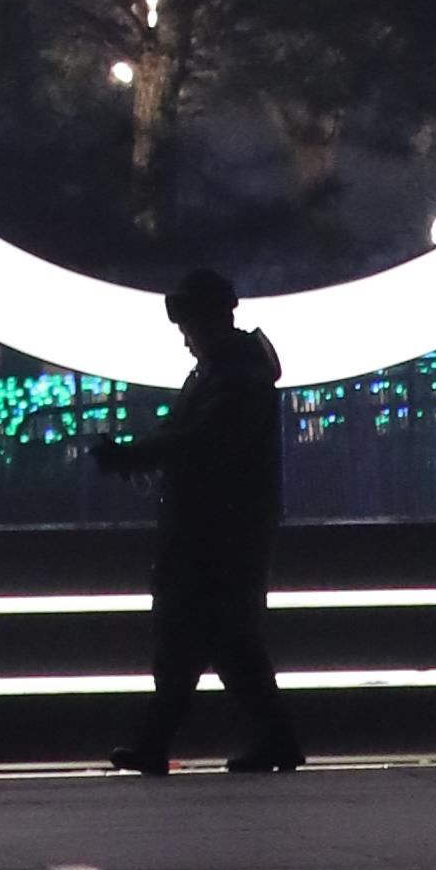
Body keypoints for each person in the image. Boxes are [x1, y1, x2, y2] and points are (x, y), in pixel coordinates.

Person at [108, 267, 298, 774]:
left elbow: (197, 443)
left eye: (188, 323)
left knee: (197, 639)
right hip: (222, 532)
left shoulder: (231, 379)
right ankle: (268, 739)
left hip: (216, 534)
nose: (185, 337)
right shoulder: (230, 374)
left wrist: (133, 457)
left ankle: (160, 743)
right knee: (217, 642)